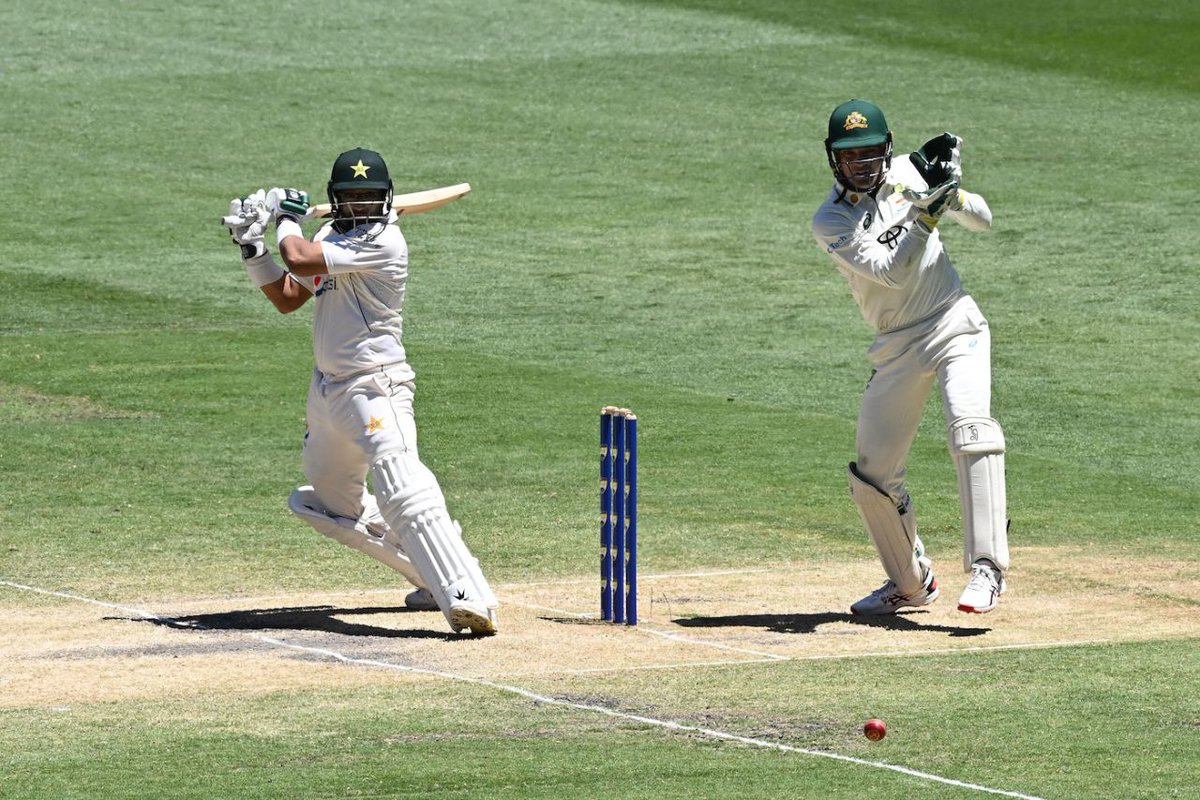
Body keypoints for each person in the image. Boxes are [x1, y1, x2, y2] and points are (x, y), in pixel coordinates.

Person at [222, 147, 498, 635]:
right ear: (339, 200)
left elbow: (298, 253)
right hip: (328, 392)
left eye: (372, 194)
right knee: (323, 504)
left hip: (376, 386)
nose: (365, 204)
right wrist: (252, 248)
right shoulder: (332, 233)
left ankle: (466, 594)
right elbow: (289, 296)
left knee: (399, 480)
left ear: (386, 197)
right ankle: (428, 577)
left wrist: (284, 219)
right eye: (355, 196)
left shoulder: (385, 241)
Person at [811, 100, 1009, 615]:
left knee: (971, 429)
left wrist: (953, 196)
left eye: (871, 152)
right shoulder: (831, 219)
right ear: (834, 160)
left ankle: (988, 569)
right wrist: (924, 218)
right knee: (873, 476)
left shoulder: (910, 172)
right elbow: (889, 271)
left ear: (887, 147)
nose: (863, 164)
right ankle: (912, 584)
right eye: (850, 155)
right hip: (896, 346)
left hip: (953, 323)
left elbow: (984, 220)